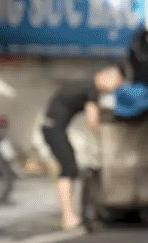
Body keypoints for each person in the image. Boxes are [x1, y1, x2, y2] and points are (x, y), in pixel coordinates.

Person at [41, 64, 123, 229]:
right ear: (106, 76)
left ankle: (70, 214)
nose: (115, 88)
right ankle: (68, 216)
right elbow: (92, 121)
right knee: (69, 169)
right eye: (116, 83)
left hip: (53, 127)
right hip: (53, 128)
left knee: (71, 169)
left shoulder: (85, 85)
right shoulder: (91, 89)